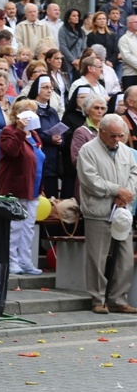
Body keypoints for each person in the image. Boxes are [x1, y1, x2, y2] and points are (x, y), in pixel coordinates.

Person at [78, 114, 137, 314]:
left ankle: (118, 299)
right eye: (113, 136)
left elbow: (134, 174)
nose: (117, 140)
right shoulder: (88, 150)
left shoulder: (126, 151)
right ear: (101, 132)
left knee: (125, 257)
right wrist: (116, 190)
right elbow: (90, 180)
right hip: (98, 210)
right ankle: (98, 299)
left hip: (121, 211)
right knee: (97, 257)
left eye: (120, 135)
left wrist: (126, 194)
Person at [0, 98, 45, 275]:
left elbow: (38, 158)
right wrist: (19, 130)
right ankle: (11, 260)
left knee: (28, 227)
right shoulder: (8, 131)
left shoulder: (34, 134)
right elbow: (11, 151)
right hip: (16, 186)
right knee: (15, 226)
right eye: (27, 111)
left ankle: (25, 260)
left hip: (33, 186)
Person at [27, 75, 62, 197]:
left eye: (51, 88)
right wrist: (49, 139)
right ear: (37, 89)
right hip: (37, 158)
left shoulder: (52, 111)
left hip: (52, 160)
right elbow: (32, 133)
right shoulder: (31, 109)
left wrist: (59, 139)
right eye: (45, 87)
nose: (49, 91)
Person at [60, 85, 92, 199]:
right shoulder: (69, 116)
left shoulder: (92, 117)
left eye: (87, 98)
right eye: (81, 97)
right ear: (75, 99)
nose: (84, 100)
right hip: (71, 163)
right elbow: (65, 138)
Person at [71, 95, 107, 172]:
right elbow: (77, 160)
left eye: (102, 108)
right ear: (87, 110)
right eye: (96, 108)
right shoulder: (81, 132)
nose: (100, 111)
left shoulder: (108, 130)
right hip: (89, 176)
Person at [58, 8, 86, 79]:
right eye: (74, 16)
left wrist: (80, 59)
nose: (76, 17)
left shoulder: (81, 31)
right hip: (68, 62)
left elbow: (84, 47)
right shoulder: (63, 30)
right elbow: (63, 47)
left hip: (80, 62)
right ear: (68, 17)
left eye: (77, 16)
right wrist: (73, 60)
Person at [118, 15, 137, 90]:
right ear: (128, 24)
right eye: (136, 22)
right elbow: (127, 57)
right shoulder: (124, 39)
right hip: (130, 75)